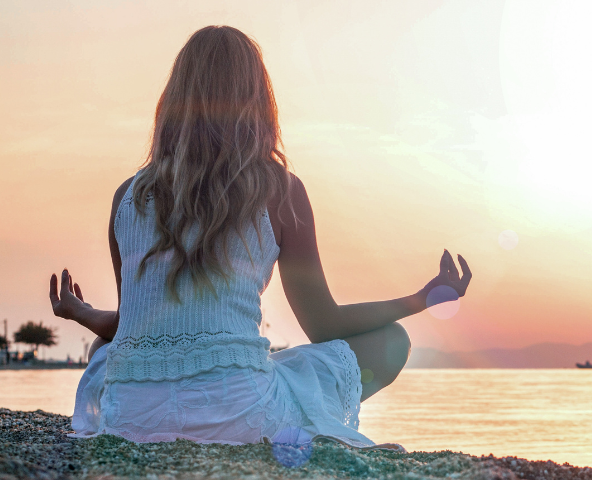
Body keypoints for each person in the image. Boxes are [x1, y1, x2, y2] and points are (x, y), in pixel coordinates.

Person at [48, 26, 471, 450]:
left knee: (105, 350)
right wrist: (422, 299)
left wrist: (80, 312)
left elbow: (131, 326)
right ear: (257, 100)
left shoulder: (128, 196)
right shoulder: (280, 190)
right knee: (393, 341)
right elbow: (324, 325)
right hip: (241, 417)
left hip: (132, 419)